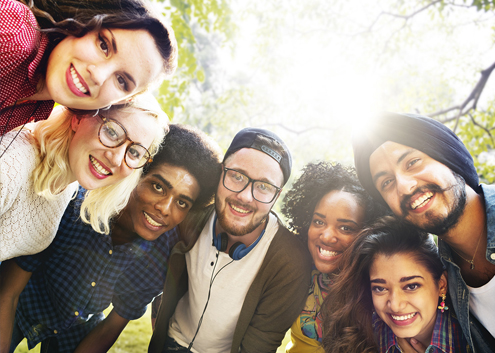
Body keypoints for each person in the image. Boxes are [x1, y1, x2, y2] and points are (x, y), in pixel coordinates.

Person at [0, 124, 223, 353]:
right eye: (158, 187)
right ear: (136, 175)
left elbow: (111, 327)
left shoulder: (160, 255)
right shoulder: (73, 206)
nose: (165, 209)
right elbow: (8, 292)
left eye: (182, 202)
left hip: (78, 325)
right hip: (21, 304)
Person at [148, 127, 312, 353]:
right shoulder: (191, 213)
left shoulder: (290, 261)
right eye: (237, 176)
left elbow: (260, 345)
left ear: (277, 195)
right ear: (221, 172)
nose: (245, 196)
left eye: (264, 187)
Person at [352, 112, 495, 352]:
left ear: (449, 157)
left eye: (412, 162)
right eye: (387, 182)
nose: (404, 186)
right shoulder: (446, 279)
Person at [0, 92, 168, 261]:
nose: (116, 159)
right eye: (112, 132)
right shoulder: (10, 167)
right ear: (79, 118)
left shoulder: (69, 184)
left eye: (134, 152)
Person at [0, 0, 177, 136]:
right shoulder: (16, 35)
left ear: (122, 101)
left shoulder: (39, 107)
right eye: (104, 45)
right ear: (83, 22)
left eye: (121, 81)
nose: (98, 75)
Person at [322, 217, 470, 353]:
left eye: (411, 286)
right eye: (380, 288)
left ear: (442, 285)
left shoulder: (475, 337)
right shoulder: (358, 335)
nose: (395, 305)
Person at [281, 161, 384, 352]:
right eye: (319, 221)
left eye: (345, 228)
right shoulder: (295, 266)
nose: (327, 236)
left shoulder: (378, 287)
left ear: (368, 232)